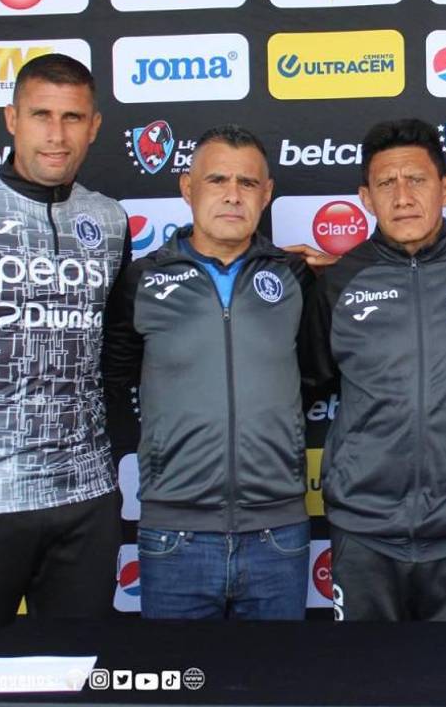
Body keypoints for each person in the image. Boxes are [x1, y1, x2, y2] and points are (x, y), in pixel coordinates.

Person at [300, 118, 446, 622]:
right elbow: (306, 382)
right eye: (386, 183)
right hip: (364, 531)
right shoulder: (338, 283)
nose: (402, 196)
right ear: (366, 197)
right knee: (366, 688)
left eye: (417, 180)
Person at [104, 125, 316, 620]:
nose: (231, 195)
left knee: (275, 689)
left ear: (266, 194)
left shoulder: (295, 277)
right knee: (180, 689)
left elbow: (314, 375)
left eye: (247, 183)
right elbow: (117, 380)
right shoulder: (142, 280)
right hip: (173, 534)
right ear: (187, 187)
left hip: (277, 533)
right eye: (217, 179)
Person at [0, 53, 128, 643]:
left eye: (72, 117)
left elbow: (114, 351)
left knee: (80, 671)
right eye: (40, 115)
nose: (57, 135)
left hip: (85, 497)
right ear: (11, 118)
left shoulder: (109, 220)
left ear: (94, 125)